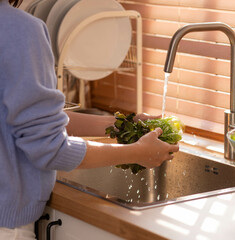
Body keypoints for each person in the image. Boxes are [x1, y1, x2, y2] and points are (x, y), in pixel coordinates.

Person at [0, 0, 179, 238]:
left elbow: (25, 120)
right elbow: (51, 149)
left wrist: (122, 125)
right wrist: (136, 152)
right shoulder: (20, 30)